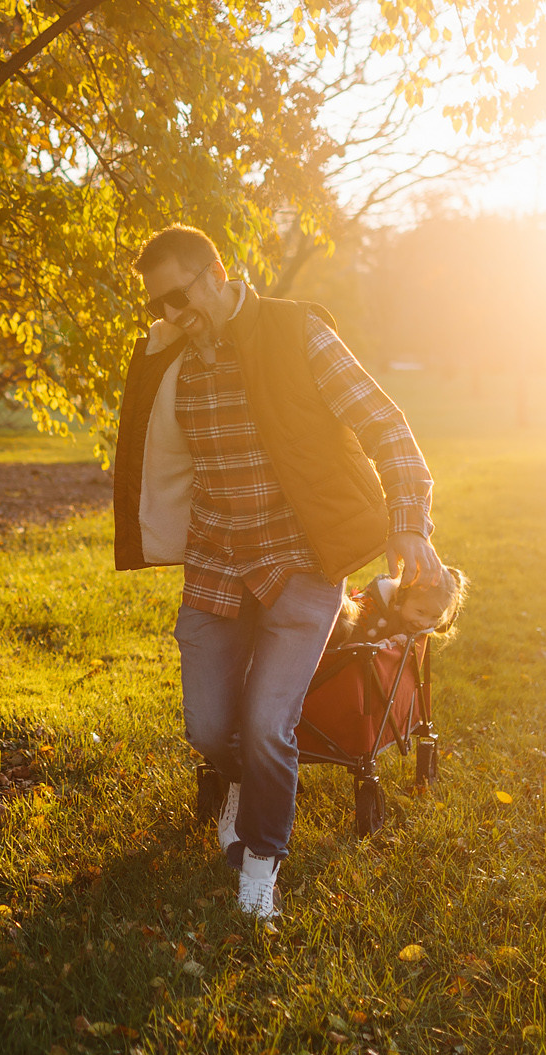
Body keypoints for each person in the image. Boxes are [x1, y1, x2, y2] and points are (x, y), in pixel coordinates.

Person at [113, 225, 440, 922]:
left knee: (267, 722)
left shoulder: (296, 333)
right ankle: (236, 781)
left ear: (214, 273)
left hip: (299, 560)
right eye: (156, 304)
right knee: (207, 727)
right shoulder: (171, 357)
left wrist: (408, 519)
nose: (167, 315)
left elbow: (386, 422)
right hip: (215, 562)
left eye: (176, 296)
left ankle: (260, 863)